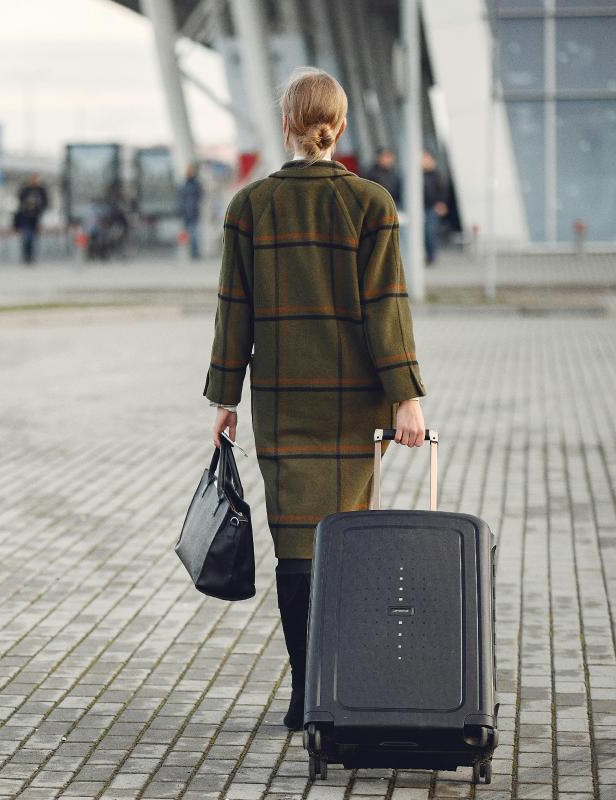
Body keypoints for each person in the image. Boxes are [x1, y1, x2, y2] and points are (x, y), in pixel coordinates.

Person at [204, 67, 427, 732]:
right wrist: (407, 399)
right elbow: (387, 310)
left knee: (296, 549)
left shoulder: (249, 205)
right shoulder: (371, 202)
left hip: (281, 403)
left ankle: (306, 693)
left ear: (286, 126)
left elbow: (232, 311)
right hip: (354, 403)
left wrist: (225, 397)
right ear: (342, 124)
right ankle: (340, 690)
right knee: (347, 544)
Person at [14, 173, 49, 265]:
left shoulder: (41, 190)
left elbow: (45, 203)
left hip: (36, 219)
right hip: (25, 219)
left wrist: (38, 209)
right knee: (26, 238)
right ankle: (26, 257)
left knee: (33, 239)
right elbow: (20, 201)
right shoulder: (25, 190)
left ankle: (31, 257)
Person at [422, 150, 449, 266]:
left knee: (430, 231)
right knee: (423, 232)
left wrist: (442, 203)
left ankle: (431, 256)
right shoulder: (418, 174)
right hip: (421, 207)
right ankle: (427, 255)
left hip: (433, 206)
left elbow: (443, 190)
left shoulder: (437, 174)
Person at [178, 162, 204, 260]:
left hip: (193, 212)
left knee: (194, 233)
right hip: (185, 212)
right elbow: (181, 198)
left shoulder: (196, 184)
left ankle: (194, 253)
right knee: (188, 233)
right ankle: (189, 252)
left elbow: (200, 196)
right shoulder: (184, 184)